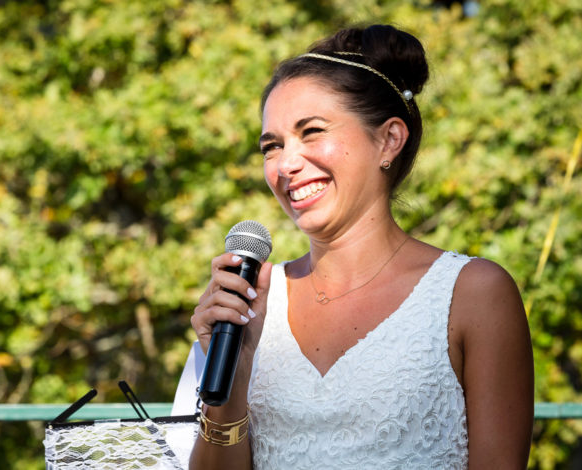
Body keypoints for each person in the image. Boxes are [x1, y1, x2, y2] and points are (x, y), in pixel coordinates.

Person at [189, 24, 533, 469]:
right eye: (271, 146)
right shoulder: (254, 296)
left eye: (311, 131)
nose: (286, 165)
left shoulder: (473, 293)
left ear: (388, 139)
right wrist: (232, 384)